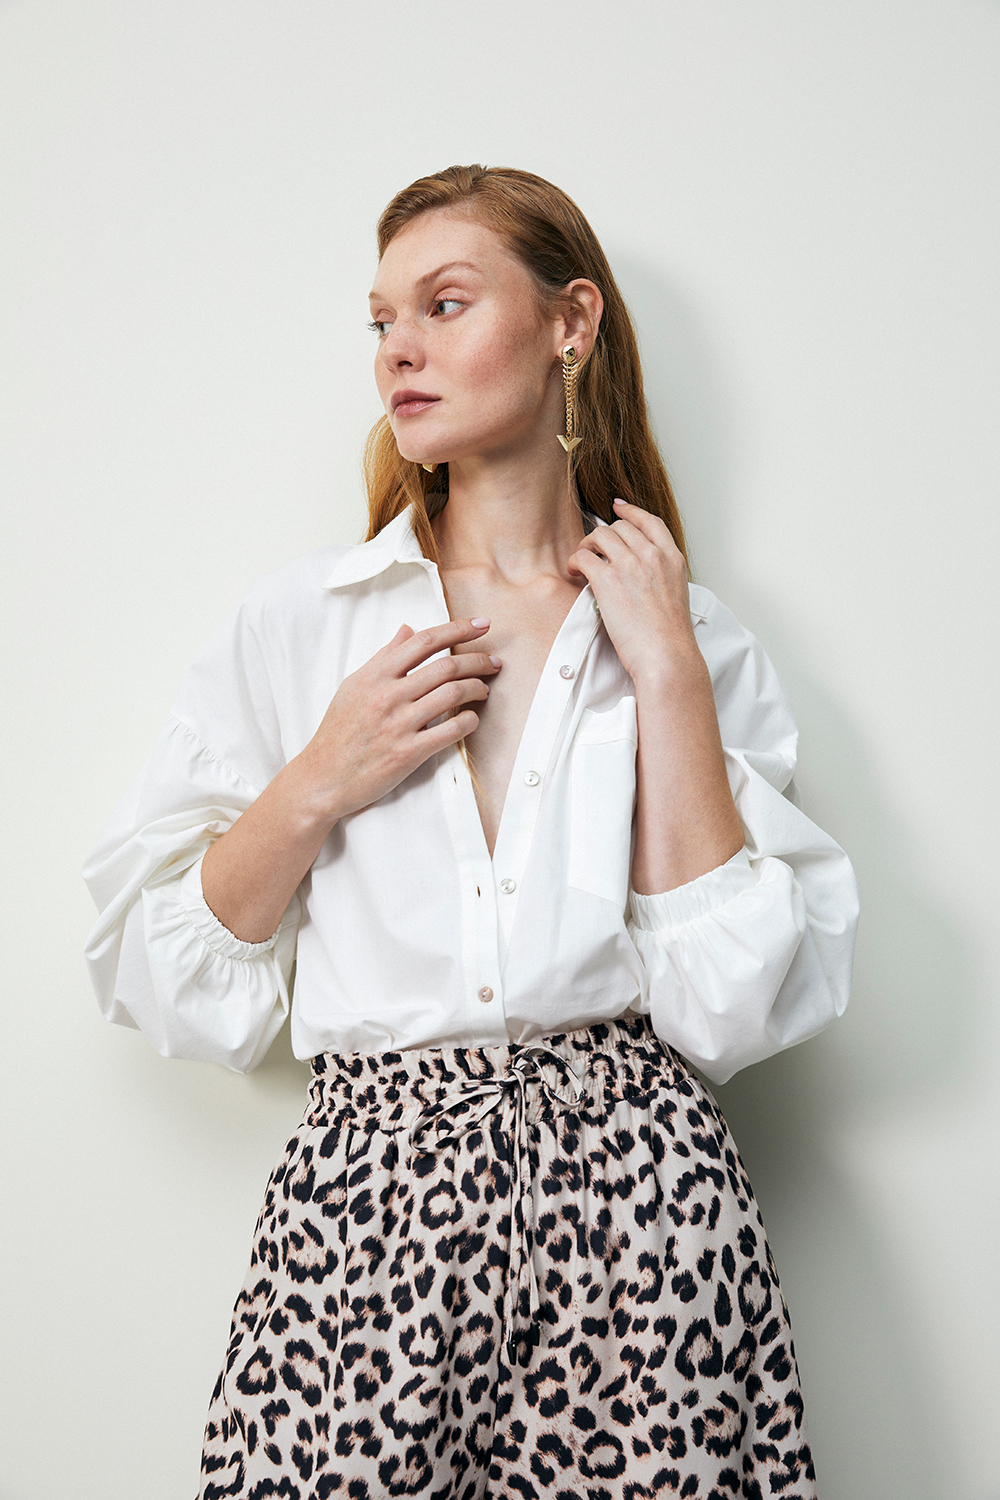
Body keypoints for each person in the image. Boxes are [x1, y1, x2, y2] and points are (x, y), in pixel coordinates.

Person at [83, 164, 859, 1500]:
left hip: (642, 1226)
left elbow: (734, 1010)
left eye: (443, 304)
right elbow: (159, 973)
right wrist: (321, 777)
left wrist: (668, 674)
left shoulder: (688, 633)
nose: (398, 347)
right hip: (365, 1222)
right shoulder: (304, 625)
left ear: (571, 322)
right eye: (381, 319)